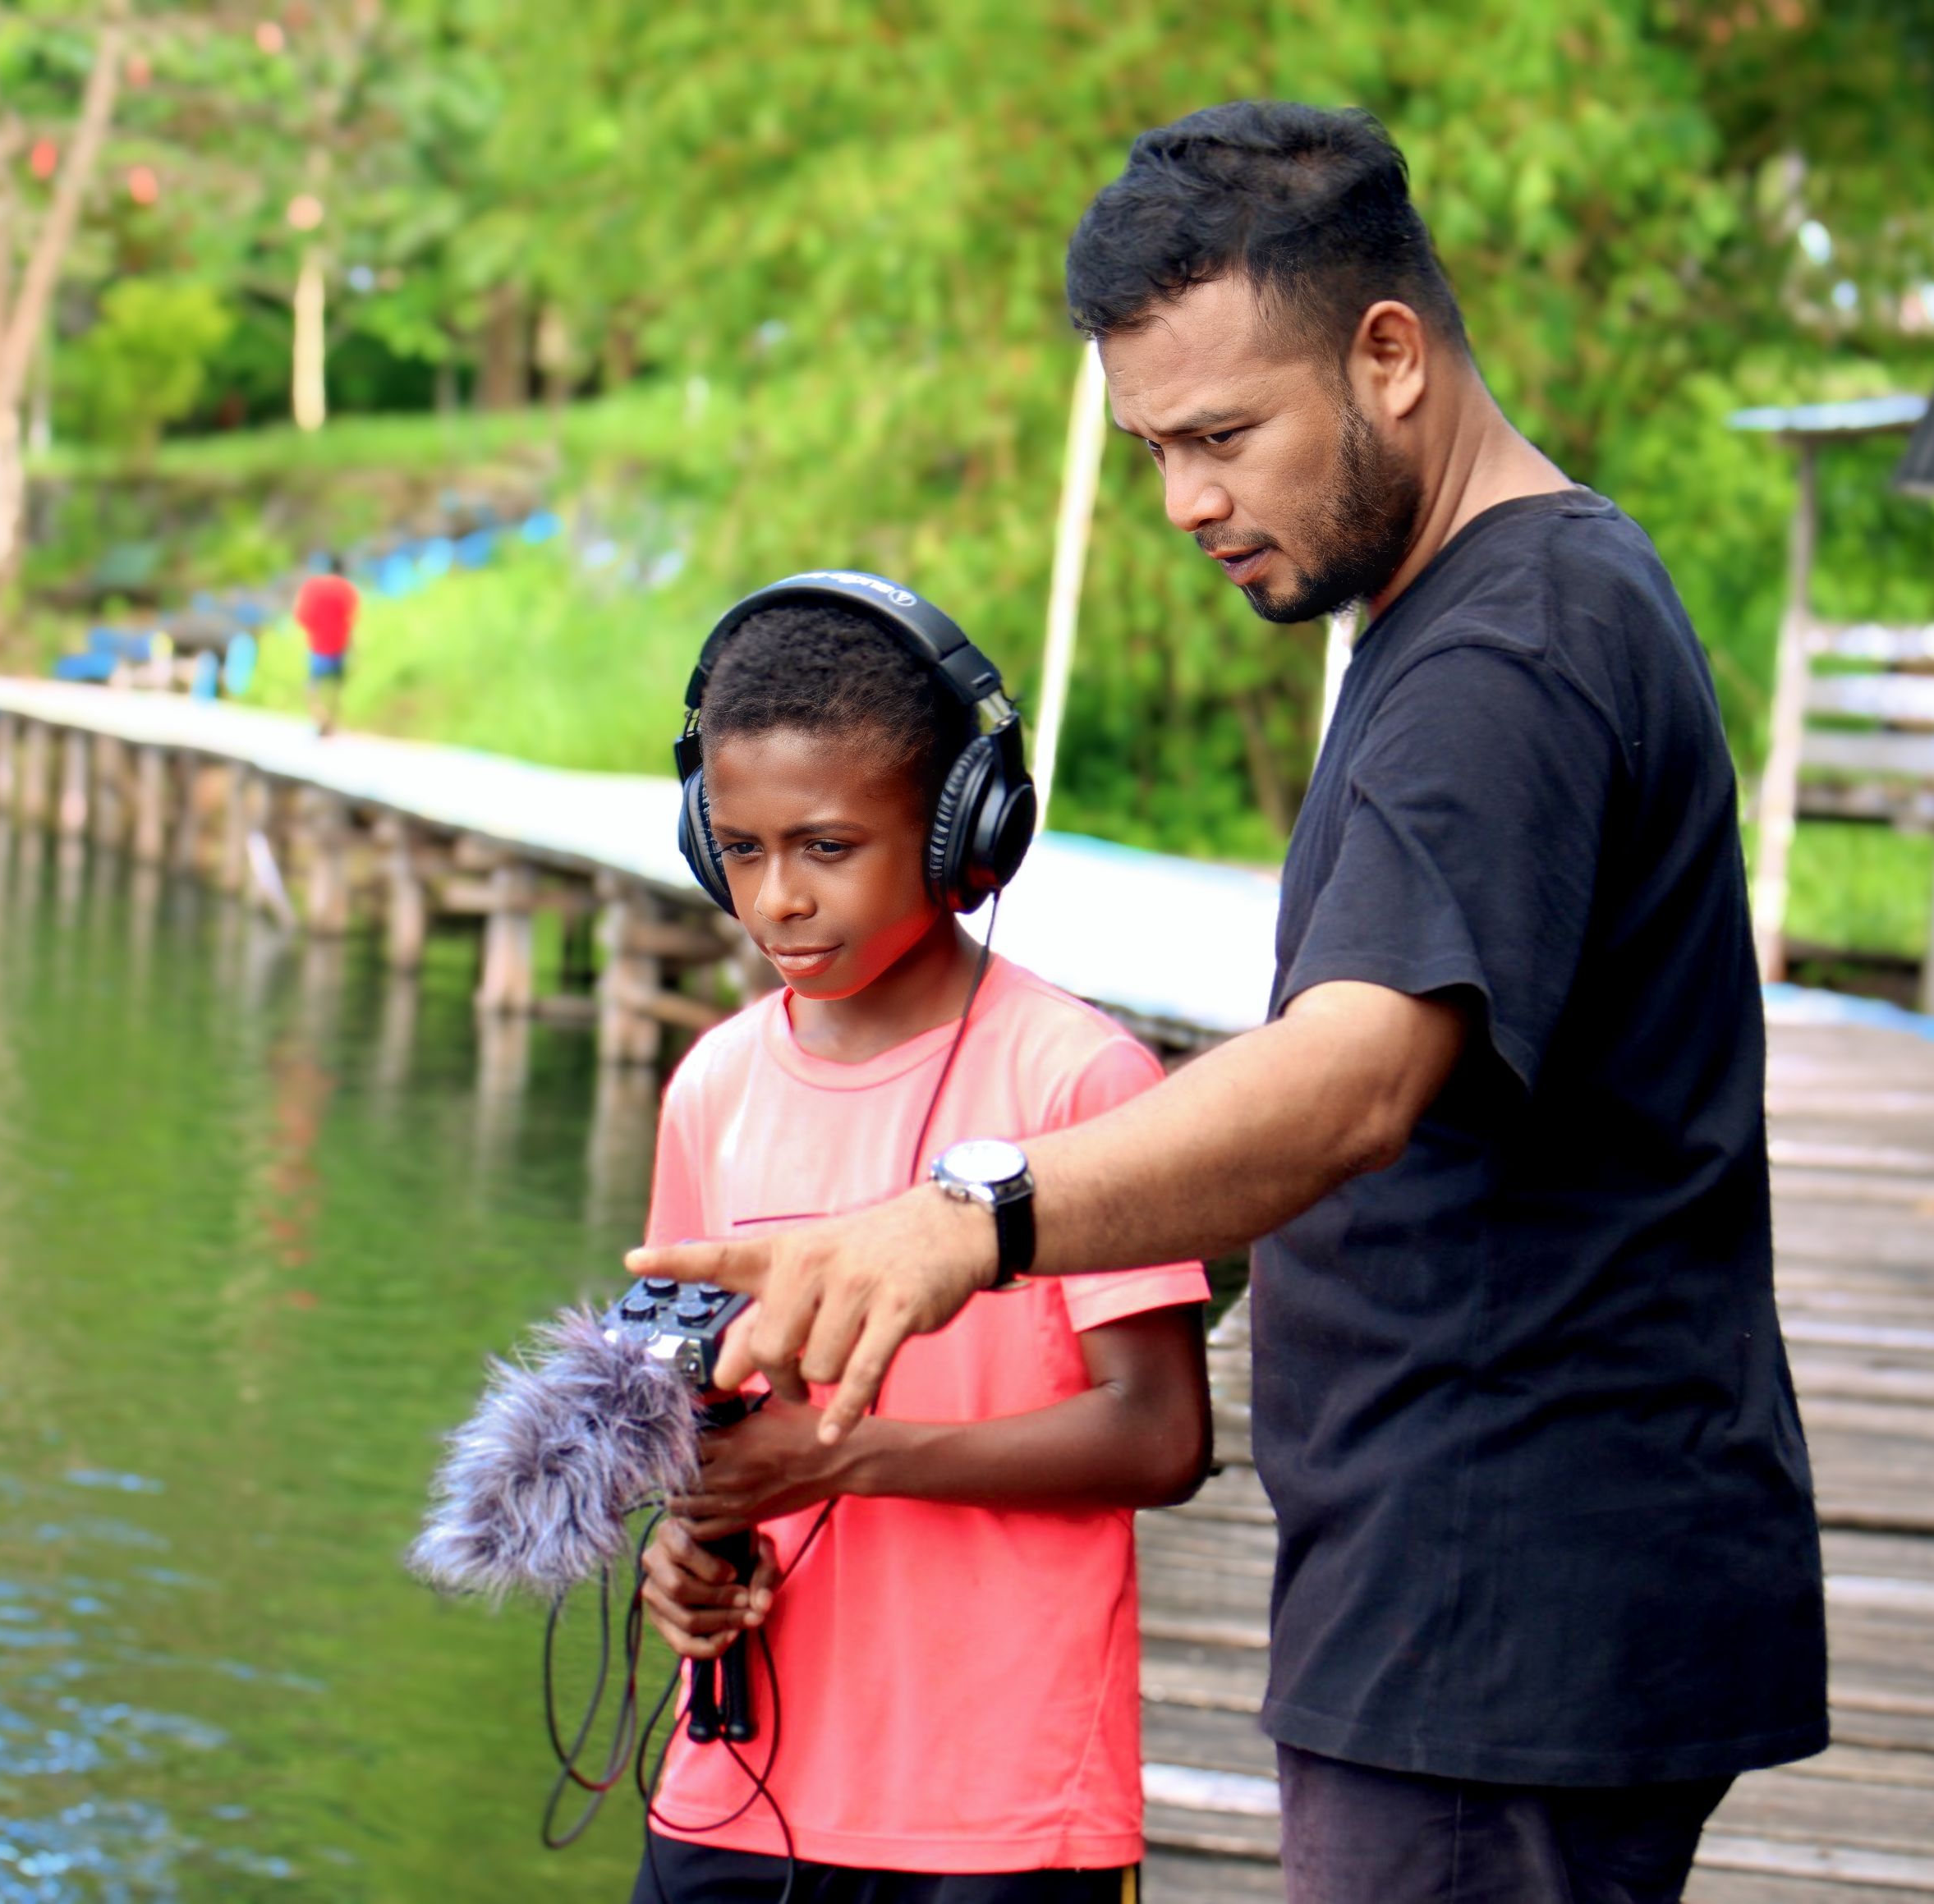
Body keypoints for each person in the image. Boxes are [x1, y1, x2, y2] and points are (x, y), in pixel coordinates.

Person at [632, 103, 1827, 1904]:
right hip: (1479, 1597)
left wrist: (970, 1214)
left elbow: (1354, 1075)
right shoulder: (1479, 615)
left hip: (1506, 1609)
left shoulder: (1504, 655)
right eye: (1153, 448)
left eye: (1223, 435)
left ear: (1389, 355)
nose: (1188, 500)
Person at [630, 578, 1212, 1904]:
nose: (778, 896)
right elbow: (693, 1418)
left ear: (966, 831)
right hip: (736, 1781)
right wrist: (683, 1546)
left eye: (829, 846)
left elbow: (1163, 1433)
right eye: (742, 847)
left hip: (999, 1807)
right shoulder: (712, 1085)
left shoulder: (1077, 1078)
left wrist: (852, 1455)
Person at [295, 572, 356, 736]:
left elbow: (303, 617)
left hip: (319, 648)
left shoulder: (313, 588)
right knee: (336, 689)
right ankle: (331, 723)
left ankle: (321, 719)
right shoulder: (346, 589)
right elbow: (351, 618)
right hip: (340, 647)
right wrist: (353, 648)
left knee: (312, 689)